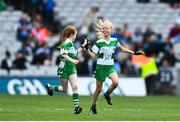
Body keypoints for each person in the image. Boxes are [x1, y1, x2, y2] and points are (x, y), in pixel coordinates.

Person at [86, 19, 144, 114]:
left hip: (110, 66)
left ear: (111, 29)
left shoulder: (114, 40)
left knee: (116, 82)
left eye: (107, 28)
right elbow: (92, 55)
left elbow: (122, 48)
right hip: (100, 67)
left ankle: (107, 94)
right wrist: (87, 49)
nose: (105, 30)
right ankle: (93, 106)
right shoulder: (99, 42)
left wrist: (134, 52)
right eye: (103, 28)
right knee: (98, 89)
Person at [45, 26, 88, 114]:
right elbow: (64, 54)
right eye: (75, 34)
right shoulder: (66, 43)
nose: (76, 36)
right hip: (63, 68)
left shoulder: (71, 44)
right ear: (71, 34)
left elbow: (75, 53)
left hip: (71, 67)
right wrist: (73, 60)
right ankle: (50, 87)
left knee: (75, 87)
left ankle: (76, 107)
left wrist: (84, 45)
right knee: (65, 89)